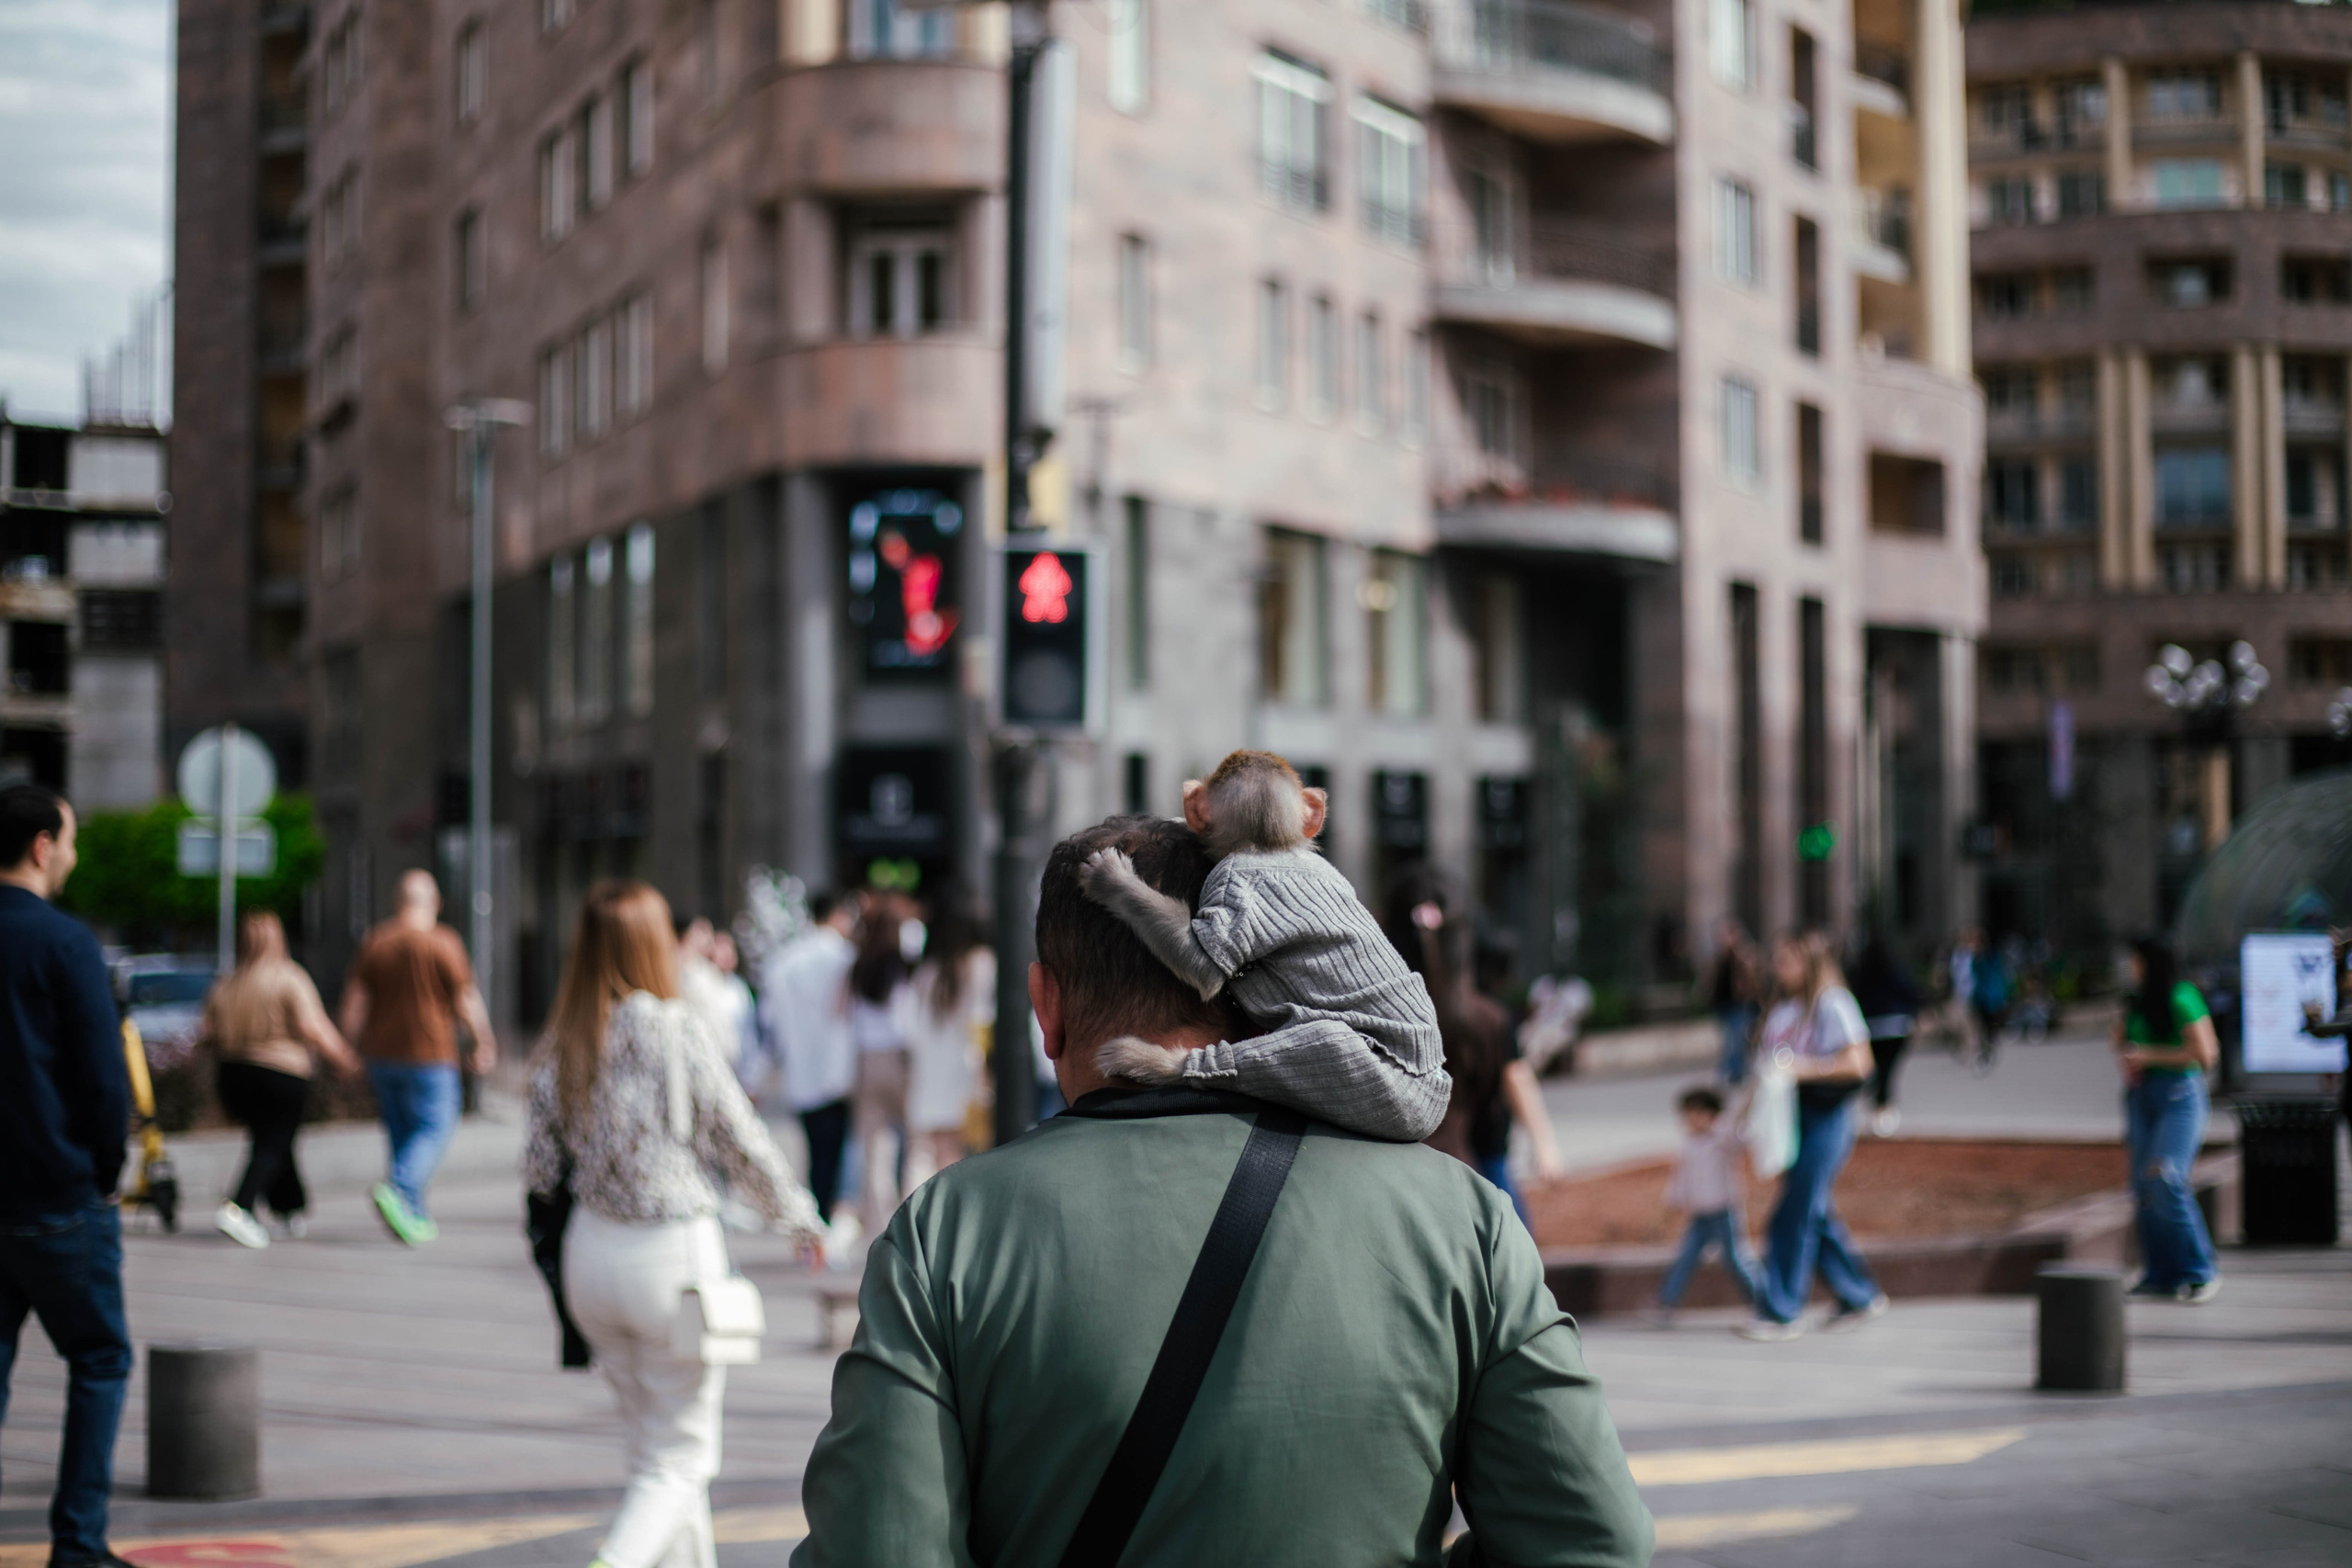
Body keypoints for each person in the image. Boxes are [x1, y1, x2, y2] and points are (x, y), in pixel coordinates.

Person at [790, 815, 1652, 1566]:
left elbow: (877, 1547)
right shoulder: (1461, 1221)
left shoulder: (947, 1232)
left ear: (1044, 1007)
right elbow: (1594, 1542)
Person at [524, 881, 823, 1568]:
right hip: (671, 1258)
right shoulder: (674, 1028)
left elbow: (539, 1169)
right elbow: (738, 1137)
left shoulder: (563, 1037)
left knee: (651, 1450)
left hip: (589, 1257)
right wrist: (798, 1218)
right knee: (682, 1455)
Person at [0, 784, 139, 1568]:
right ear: (43, 845)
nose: (75, 856)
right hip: (58, 1195)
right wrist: (108, 1172)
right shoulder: (65, 942)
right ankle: (78, 1543)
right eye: (73, 841)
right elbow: (101, 1077)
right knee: (99, 1358)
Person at [1385, 873, 1566, 1222]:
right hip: (1481, 1157)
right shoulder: (1486, 1018)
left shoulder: (1377, 1017)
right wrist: (1545, 1145)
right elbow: (1516, 1074)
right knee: (1510, 1245)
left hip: (1402, 1167)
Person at [1738, 931, 1888, 1341]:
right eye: (1777, 959)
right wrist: (1739, 1118)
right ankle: (1860, 1295)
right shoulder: (1780, 1008)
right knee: (1814, 1212)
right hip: (1789, 1120)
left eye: (1788, 959)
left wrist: (1802, 1068)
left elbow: (1860, 1063)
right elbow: (1764, 1069)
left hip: (1825, 1117)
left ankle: (1782, 1310)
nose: (1779, 967)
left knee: (1792, 1214)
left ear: (1810, 961)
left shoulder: (1832, 1003)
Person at [339, 869, 496, 1246]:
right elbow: (465, 999)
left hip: (382, 1055)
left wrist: (347, 1048)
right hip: (431, 1054)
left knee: (402, 1133)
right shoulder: (444, 942)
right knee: (437, 1125)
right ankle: (400, 1188)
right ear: (435, 903)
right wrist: (483, 1041)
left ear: (398, 902)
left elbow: (356, 1002)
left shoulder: (376, 941)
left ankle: (412, 1213)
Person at [205, 909, 361, 1248]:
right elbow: (312, 1026)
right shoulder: (289, 978)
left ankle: (289, 1207)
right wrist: (344, 1058)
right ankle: (240, 1207)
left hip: (234, 1074)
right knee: (272, 1143)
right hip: (281, 1073)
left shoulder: (227, 983)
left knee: (274, 1140)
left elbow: (208, 1033)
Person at [2114, 937, 2222, 1303]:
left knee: (2167, 1178)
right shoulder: (2138, 1001)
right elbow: (2123, 1044)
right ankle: (2159, 1274)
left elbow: (2206, 1055)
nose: (2129, 967)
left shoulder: (2181, 997)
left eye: (2134, 960)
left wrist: (2148, 1055)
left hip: (2179, 1097)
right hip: (2142, 1097)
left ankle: (2199, 1270)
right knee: (2143, 1189)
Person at [759, 891, 858, 1247]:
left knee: (817, 1153)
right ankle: (829, 1225)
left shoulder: (783, 962)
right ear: (839, 915)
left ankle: (817, 1225)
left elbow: (769, 1025)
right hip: (841, 1070)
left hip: (801, 1071)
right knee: (840, 1152)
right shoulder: (845, 957)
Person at [901, 898, 992, 1184]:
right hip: (966, 1068)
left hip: (932, 1070)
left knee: (940, 1151)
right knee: (966, 1151)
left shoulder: (928, 972)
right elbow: (982, 1021)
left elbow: (912, 1026)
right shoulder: (980, 965)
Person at [1654, 1085, 1760, 1323]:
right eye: (1688, 1113)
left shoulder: (1721, 1139)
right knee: (1685, 1259)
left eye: (1697, 1112)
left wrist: (1751, 1094)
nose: (1691, 1119)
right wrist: (1671, 1207)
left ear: (1711, 1115)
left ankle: (1762, 1301)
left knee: (1738, 1260)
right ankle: (1665, 1304)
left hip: (1724, 1213)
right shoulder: (1688, 1145)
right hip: (1700, 1216)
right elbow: (1681, 1181)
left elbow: (1738, 1129)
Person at [846, 899, 916, 1231]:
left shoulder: (858, 965)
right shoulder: (902, 965)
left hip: (866, 1059)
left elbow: (843, 1012)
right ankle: (913, 1216)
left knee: (874, 1148)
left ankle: (879, 1224)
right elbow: (907, 1013)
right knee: (916, 1141)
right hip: (899, 1058)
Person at [1849, 933, 1922, 1138]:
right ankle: (1883, 1110)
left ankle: (1879, 1108)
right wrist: (1915, 1013)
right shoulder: (1896, 968)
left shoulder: (1861, 971)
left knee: (1877, 1071)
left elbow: (1855, 996)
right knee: (1888, 1071)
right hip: (1896, 1027)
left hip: (1871, 1028)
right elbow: (1910, 993)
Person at [674, 916, 753, 1072]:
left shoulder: (706, 970)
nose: (708, 939)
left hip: (723, 1051)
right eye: (702, 932)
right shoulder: (684, 969)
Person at [1706, 917, 1762, 1085]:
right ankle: (1731, 1070)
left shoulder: (1744, 954)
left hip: (1740, 1004)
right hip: (1723, 1004)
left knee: (1737, 1039)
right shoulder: (1719, 957)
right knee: (1728, 1040)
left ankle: (1736, 1072)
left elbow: (1752, 977)